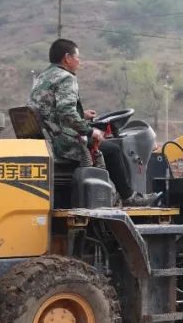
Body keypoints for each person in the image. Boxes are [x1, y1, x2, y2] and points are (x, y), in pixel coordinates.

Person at [29, 39, 156, 206]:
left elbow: (53, 111)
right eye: (77, 57)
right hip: (63, 143)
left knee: (106, 147)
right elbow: (66, 112)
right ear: (67, 58)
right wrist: (90, 131)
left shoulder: (43, 77)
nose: (79, 61)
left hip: (49, 139)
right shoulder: (66, 77)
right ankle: (128, 196)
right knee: (113, 150)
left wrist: (82, 116)